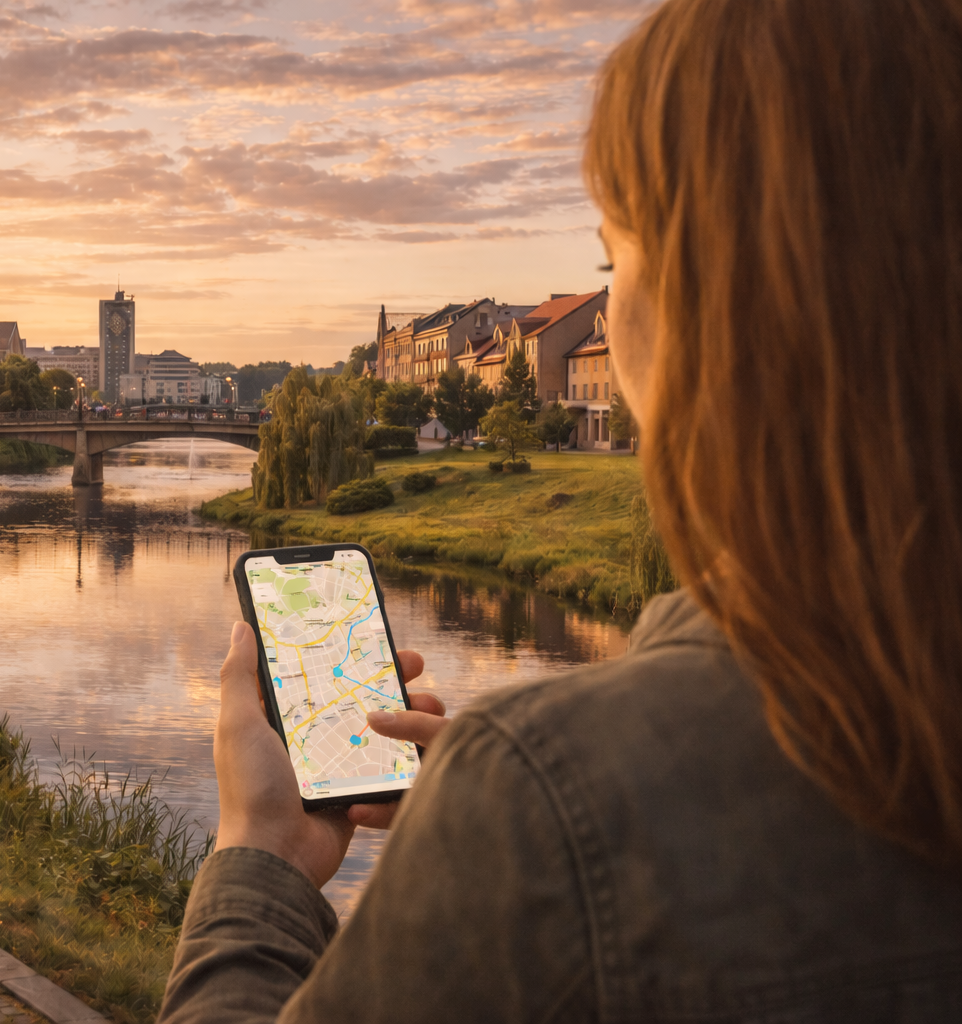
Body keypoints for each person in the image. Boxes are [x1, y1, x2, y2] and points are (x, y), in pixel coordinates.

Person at [160, 0, 962, 1020]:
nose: (610, 315)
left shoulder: (551, 802)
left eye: (617, 262)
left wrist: (261, 853)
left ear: (721, 309)